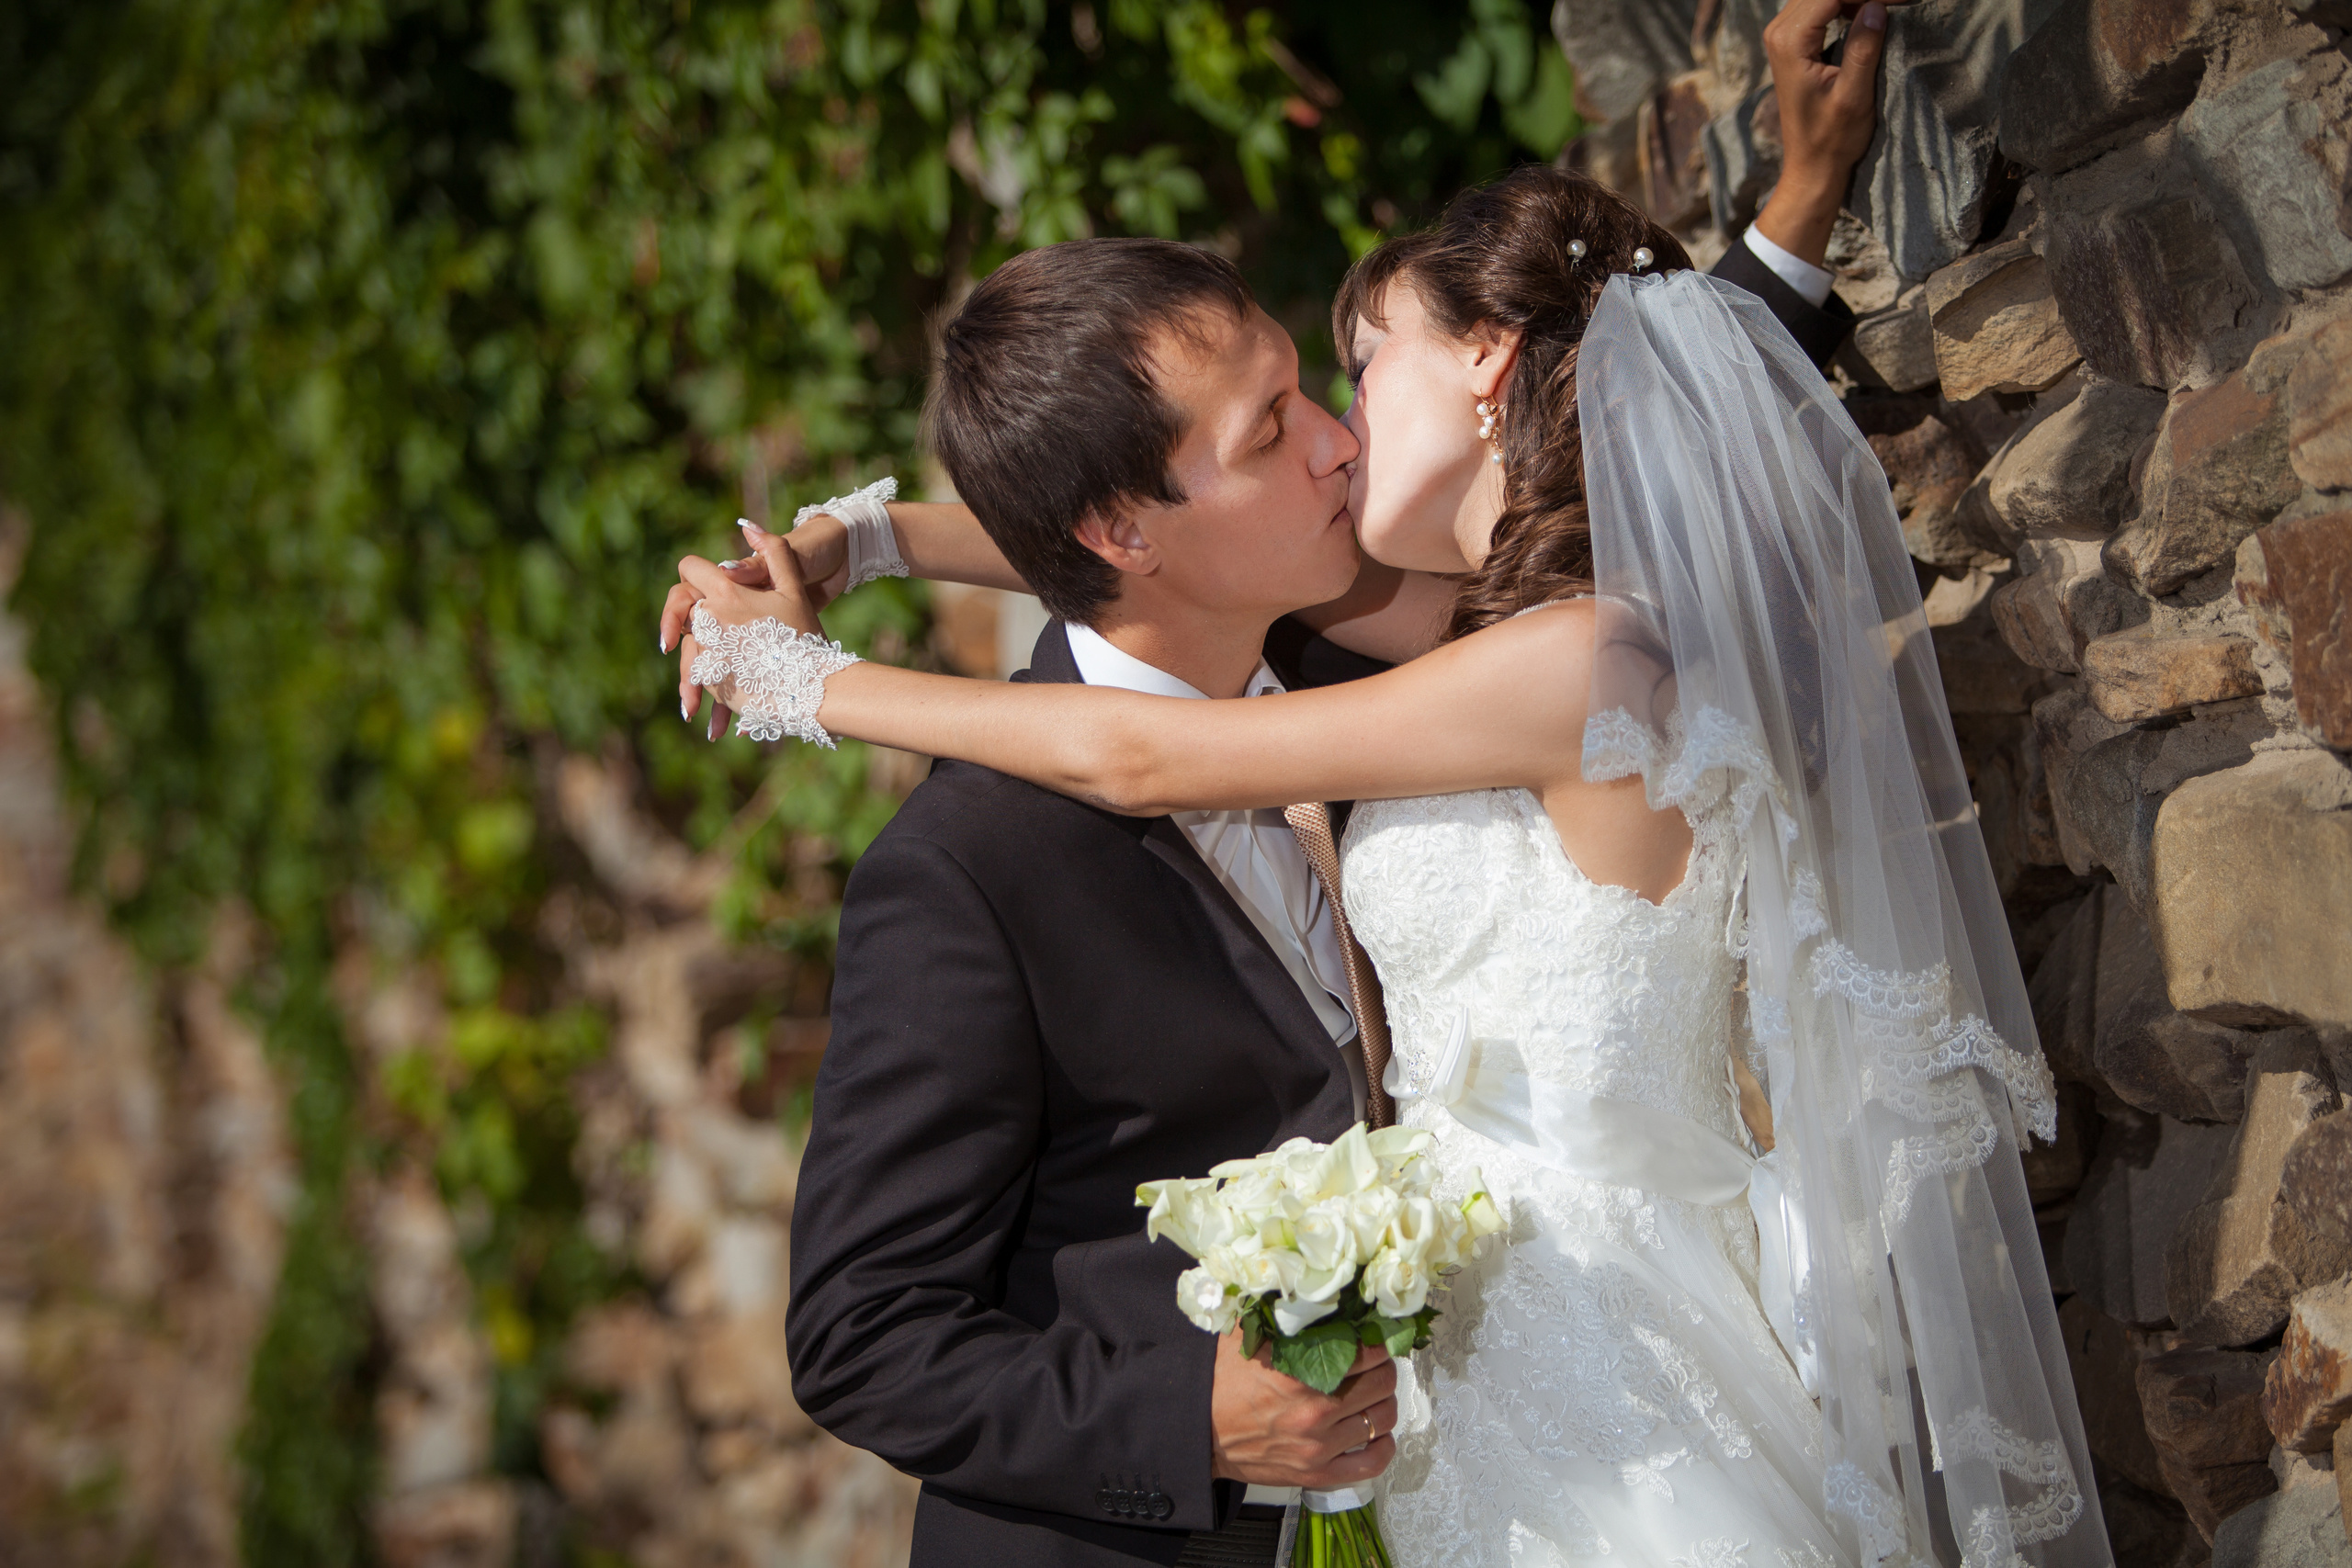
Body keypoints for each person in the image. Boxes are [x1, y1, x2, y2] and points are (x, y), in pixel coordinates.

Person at [671, 8, 2028, 1566]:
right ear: (1121, 528)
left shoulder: (1493, 651)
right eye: (1283, 422)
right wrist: (870, 538)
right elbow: (862, 1332)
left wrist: (804, 682)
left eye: (1344, 379)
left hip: (1617, 1384)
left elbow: (1139, 742)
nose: (1333, 439)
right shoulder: (984, 859)